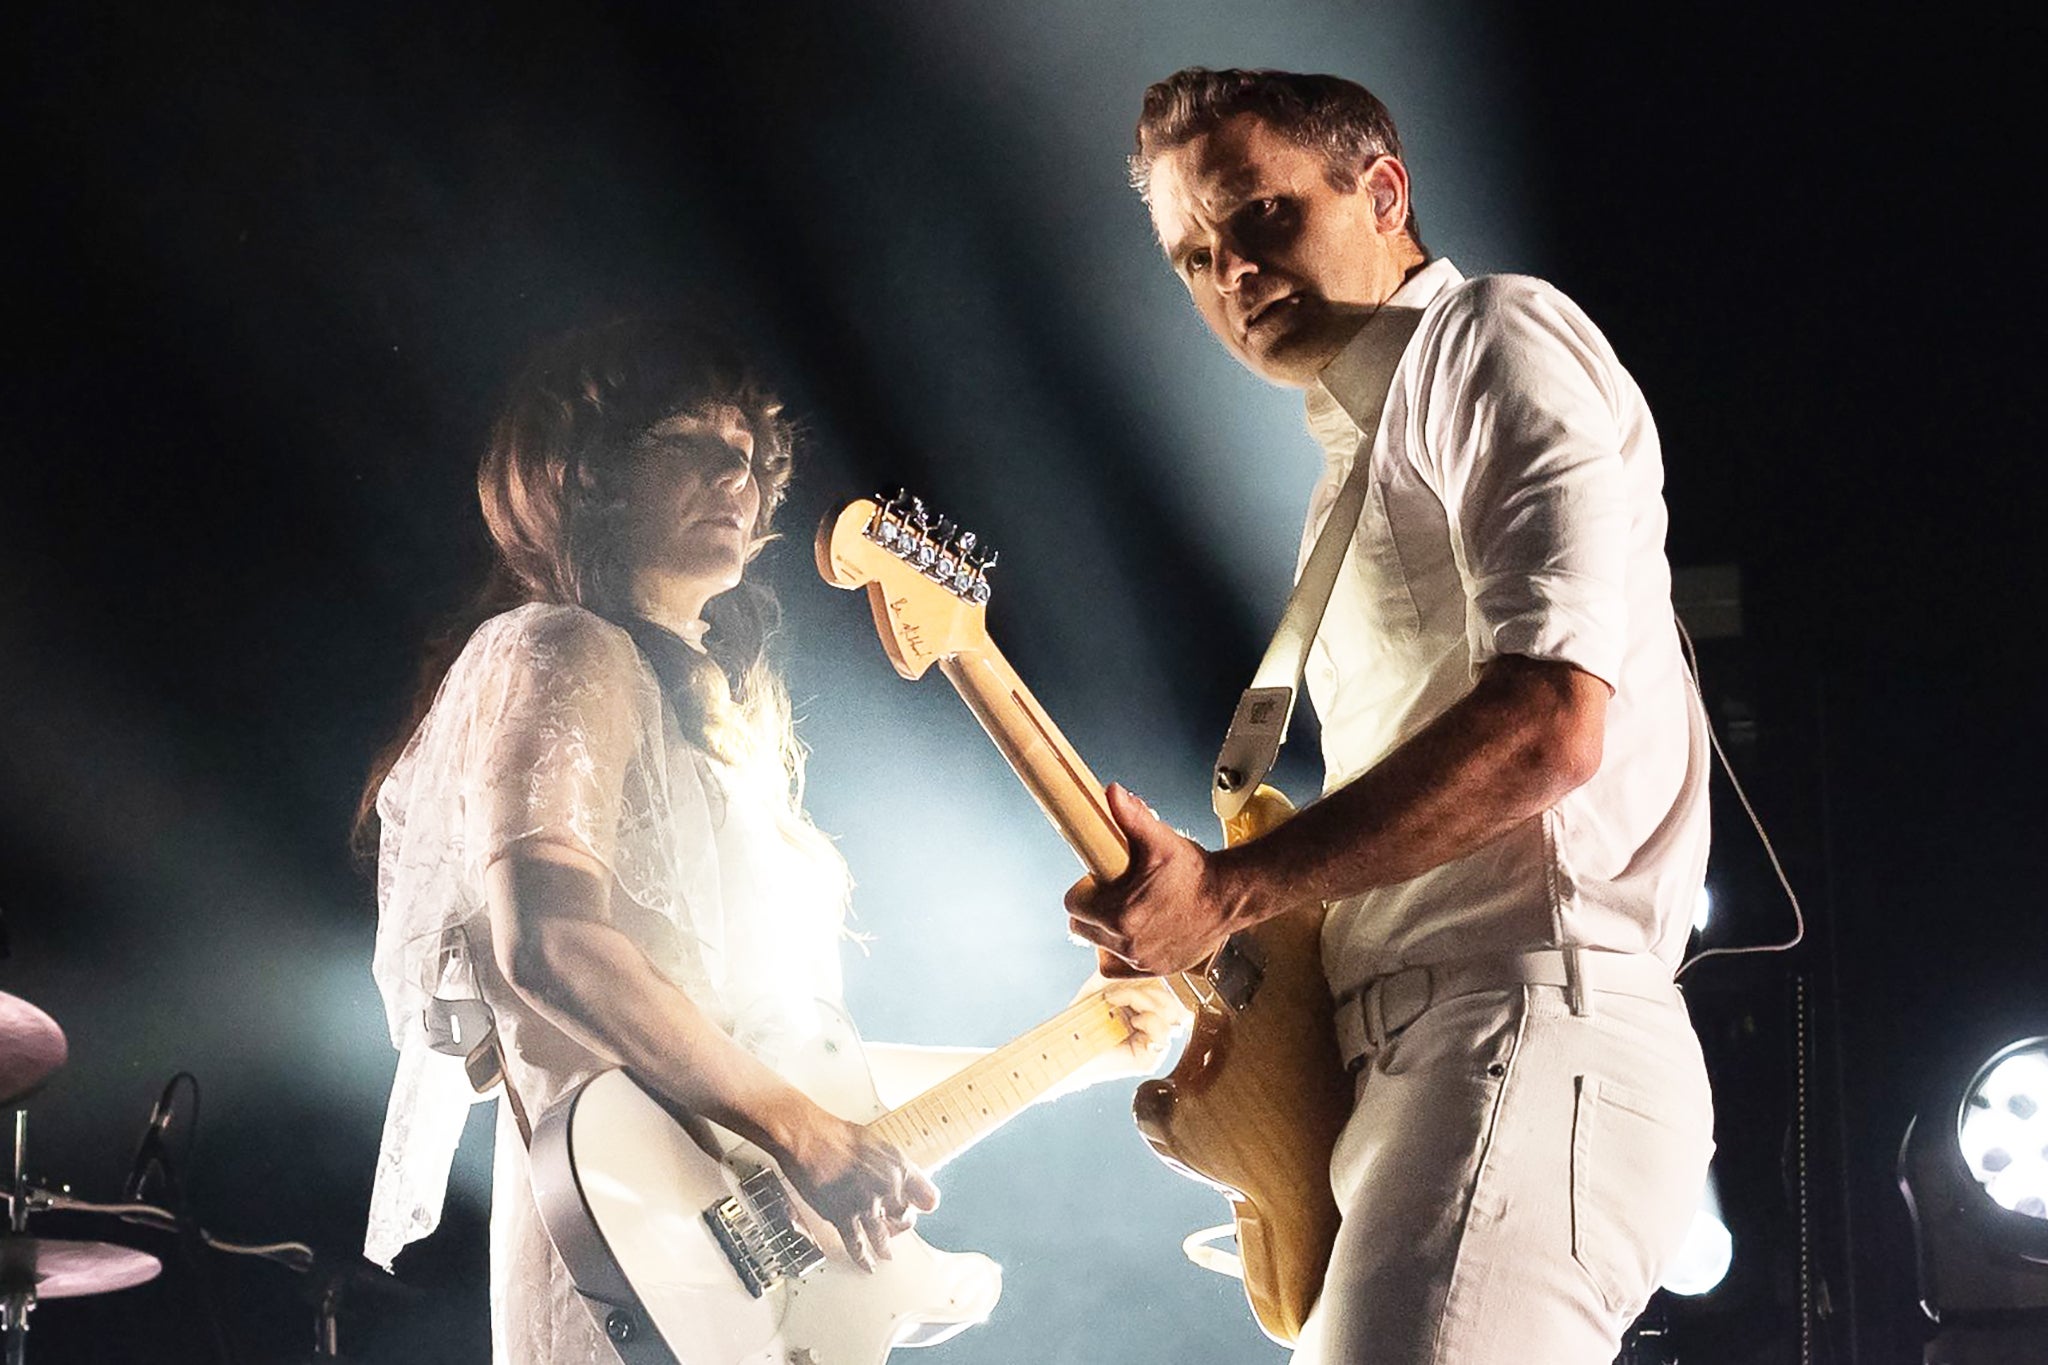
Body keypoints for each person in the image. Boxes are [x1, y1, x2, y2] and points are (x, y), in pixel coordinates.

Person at [358, 319, 1182, 1363]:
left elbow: (798, 1069)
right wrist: (796, 1130)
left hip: (716, 1285)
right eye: (680, 443)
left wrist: (1086, 1044)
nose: (729, 475)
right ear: (588, 477)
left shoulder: (712, 734)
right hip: (630, 1262)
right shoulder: (566, 649)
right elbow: (552, 942)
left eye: (743, 455)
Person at [1064, 69, 1715, 1364]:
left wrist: (1236, 890)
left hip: (1524, 1024)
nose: (1231, 273)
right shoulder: (1346, 476)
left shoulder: (1491, 335)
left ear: (1383, 189)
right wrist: (1215, 935)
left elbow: (1550, 724)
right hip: (1422, 1066)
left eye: (1259, 218)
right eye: (1194, 254)